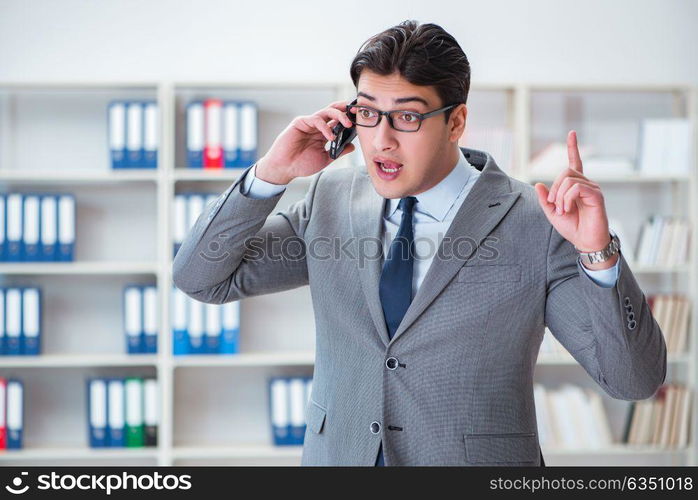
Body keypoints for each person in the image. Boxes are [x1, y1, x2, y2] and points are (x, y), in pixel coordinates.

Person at [173, 20, 666, 466]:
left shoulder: (535, 221)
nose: (382, 140)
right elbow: (202, 279)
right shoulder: (331, 199)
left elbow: (632, 380)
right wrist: (270, 175)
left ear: (455, 122)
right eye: (367, 113)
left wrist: (597, 254)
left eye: (406, 118)